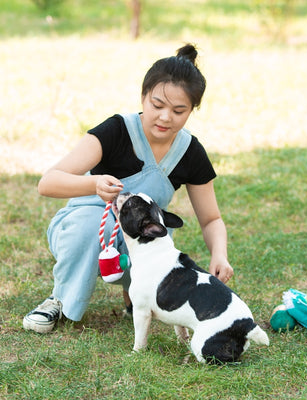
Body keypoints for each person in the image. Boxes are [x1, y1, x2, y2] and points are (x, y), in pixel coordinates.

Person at [23, 44, 234, 333]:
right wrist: (93, 183)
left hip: (139, 232)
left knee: (155, 242)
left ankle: (135, 295)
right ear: (143, 96)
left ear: (192, 110)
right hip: (88, 225)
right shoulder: (117, 130)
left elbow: (211, 219)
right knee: (87, 229)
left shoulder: (190, 151)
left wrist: (219, 254)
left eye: (178, 110)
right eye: (157, 105)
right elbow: (48, 182)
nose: (164, 117)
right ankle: (59, 298)